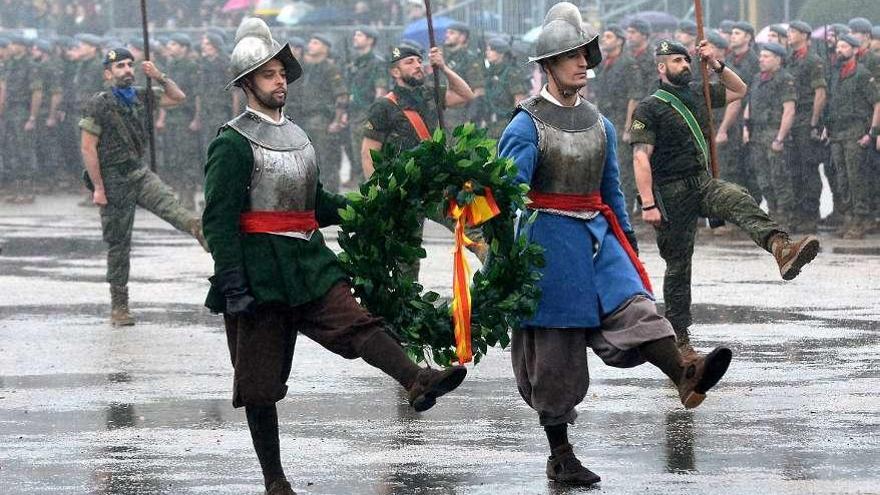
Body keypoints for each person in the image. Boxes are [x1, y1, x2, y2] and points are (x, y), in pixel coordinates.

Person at [202, 19, 468, 495]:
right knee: (260, 385)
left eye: (283, 72)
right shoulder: (231, 142)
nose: (280, 80)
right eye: (268, 74)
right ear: (247, 84)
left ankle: (416, 379)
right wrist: (232, 281)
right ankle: (275, 480)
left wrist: (373, 207)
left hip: (308, 260)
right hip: (259, 270)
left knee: (357, 321)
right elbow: (218, 221)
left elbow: (317, 203)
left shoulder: (300, 137)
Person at [498, 5, 733, 487]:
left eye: (586, 54)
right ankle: (561, 455)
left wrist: (626, 242)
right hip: (547, 243)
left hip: (598, 237)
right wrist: (501, 256)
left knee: (637, 308)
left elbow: (612, 191)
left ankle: (685, 373)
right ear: (547, 65)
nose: (583, 63)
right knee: (557, 356)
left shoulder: (600, 124)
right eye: (571, 57)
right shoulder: (524, 125)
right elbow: (504, 196)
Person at [629, 39, 820, 356]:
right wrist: (648, 204)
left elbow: (738, 90)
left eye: (687, 60)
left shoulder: (700, 92)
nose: (686, 65)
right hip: (670, 192)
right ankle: (679, 337)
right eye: (678, 61)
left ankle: (781, 247)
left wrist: (716, 64)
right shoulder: (650, 106)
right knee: (678, 266)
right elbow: (640, 158)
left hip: (701, 181)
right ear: (661, 67)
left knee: (736, 196)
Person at [79, 48, 206, 326]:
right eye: (120, 66)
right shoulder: (98, 104)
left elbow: (177, 97)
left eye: (129, 65)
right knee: (118, 244)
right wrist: (98, 187)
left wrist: (158, 75)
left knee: (171, 206)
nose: (126, 69)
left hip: (138, 172)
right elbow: (88, 148)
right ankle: (119, 306)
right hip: (112, 180)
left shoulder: (139, 95)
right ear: (108, 73)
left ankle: (200, 231)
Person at [360, 43, 484, 278]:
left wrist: (444, 67)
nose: (418, 66)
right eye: (410, 62)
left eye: (419, 61)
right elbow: (369, 152)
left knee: (472, 233)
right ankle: (407, 305)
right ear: (395, 72)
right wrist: (377, 192)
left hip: (437, 184)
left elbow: (465, 95)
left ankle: (498, 276)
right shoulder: (383, 106)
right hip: (404, 190)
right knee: (407, 256)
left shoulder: (430, 92)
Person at [826, 34, 880, 239]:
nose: (839, 49)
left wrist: (872, 132)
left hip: (856, 133)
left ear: (855, 50)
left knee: (856, 177)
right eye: (838, 46)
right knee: (842, 178)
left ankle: (861, 219)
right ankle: (849, 218)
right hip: (837, 133)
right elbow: (831, 103)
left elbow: (877, 103)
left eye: (844, 46)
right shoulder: (836, 73)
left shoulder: (862, 74)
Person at [742, 42, 797, 226]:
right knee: (763, 178)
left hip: (774, 133)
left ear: (778, 59)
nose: (761, 59)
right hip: (758, 134)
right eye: (761, 56)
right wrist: (746, 127)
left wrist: (780, 138)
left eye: (766, 56)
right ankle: (773, 210)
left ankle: (785, 215)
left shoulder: (785, 79)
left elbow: (789, 110)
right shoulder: (757, 78)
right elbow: (750, 103)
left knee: (779, 177)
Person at [285, 34, 348, 193]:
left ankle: (329, 194)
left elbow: (341, 95)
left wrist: (337, 120)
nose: (310, 45)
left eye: (315, 43)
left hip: (321, 119)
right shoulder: (304, 67)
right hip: (301, 119)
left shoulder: (330, 68)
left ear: (325, 48)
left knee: (326, 160)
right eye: (310, 42)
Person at [786, 21, 828, 234]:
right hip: (792, 120)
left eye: (793, 32)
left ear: (804, 35)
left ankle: (810, 215)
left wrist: (814, 123)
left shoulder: (813, 60)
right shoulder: (790, 60)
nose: (789, 35)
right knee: (793, 169)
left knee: (808, 169)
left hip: (805, 120)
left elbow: (820, 94)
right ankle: (798, 214)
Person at [594, 24, 641, 211]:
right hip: (607, 118)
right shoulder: (605, 64)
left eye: (609, 36)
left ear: (619, 41)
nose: (604, 40)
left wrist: (628, 126)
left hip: (622, 119)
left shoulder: (627, 63)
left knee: (622, 166)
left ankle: (625, 208)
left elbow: (634, 96)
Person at [345, 27, 387, 187]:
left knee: (369, 157)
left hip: (368, 114)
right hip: (354, 114)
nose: (355, 37)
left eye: (360, 35)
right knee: (357, 157)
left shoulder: (377, 63)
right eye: (355, 34)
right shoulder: (356, 63)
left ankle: (373, 193)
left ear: (370, 40)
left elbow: (380, 91)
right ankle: (363, 193)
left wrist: (375, 115)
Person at [482, 36, 529, 139]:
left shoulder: (512, 72)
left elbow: (519, 101)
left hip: (506, 125)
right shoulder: (491, 72)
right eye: (487, 50)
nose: (487, 53)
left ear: (501, 52)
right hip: (490, 125)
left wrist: (516, 127)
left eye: (490, 50)